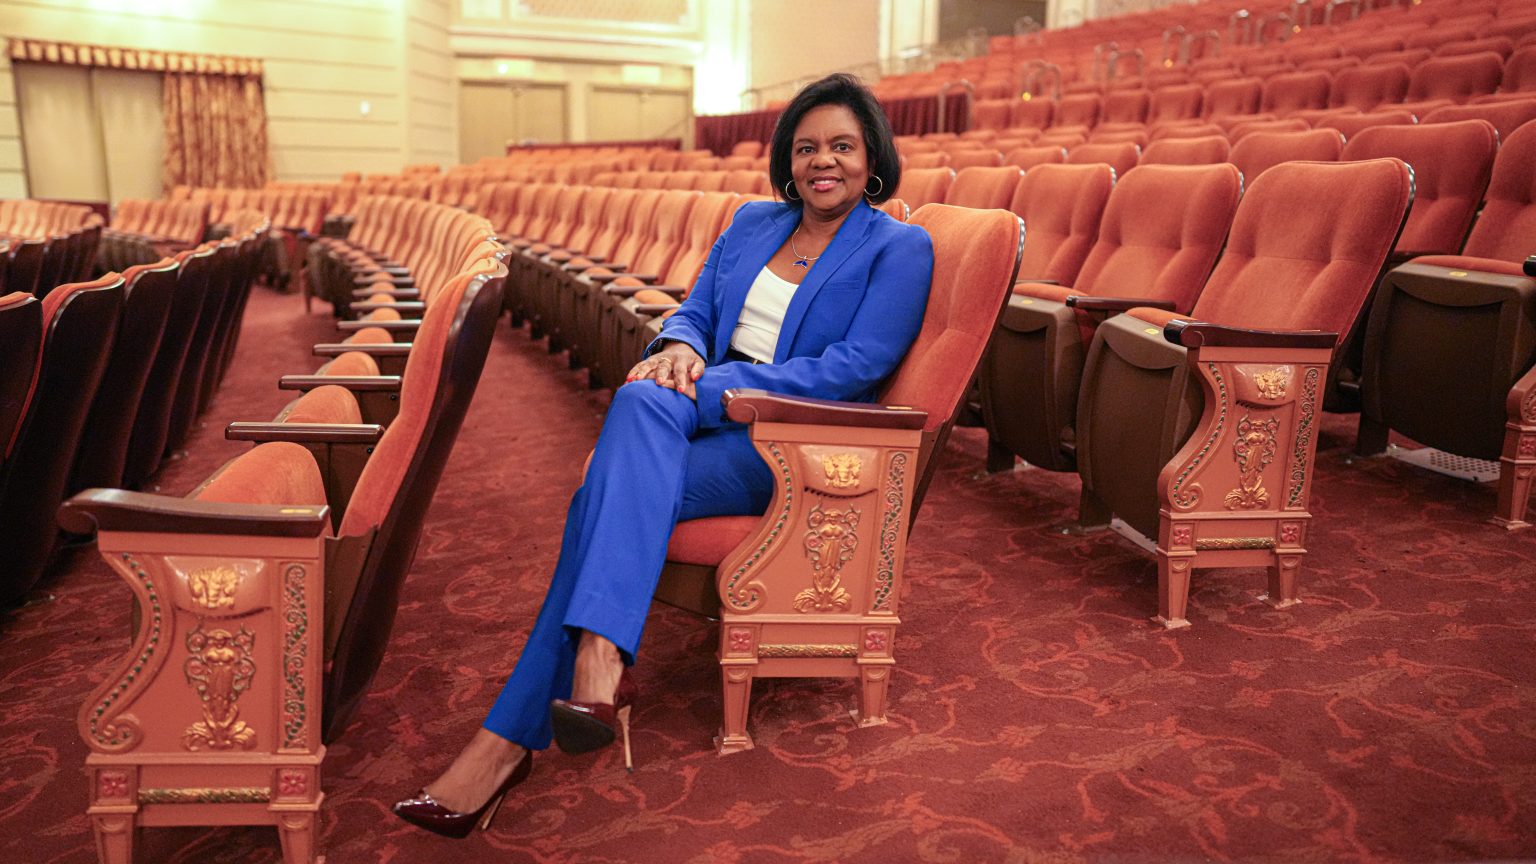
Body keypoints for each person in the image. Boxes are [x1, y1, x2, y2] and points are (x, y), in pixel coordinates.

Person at [393, 72, 935, 838]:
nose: (824, 161)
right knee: (646, 394)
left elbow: (854, 367)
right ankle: (593, 664)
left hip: (788, 440)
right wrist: (679, 345)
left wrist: (712, 382)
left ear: (871, 154)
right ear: (788, 157)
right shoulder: (752, 223)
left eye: (842, 146)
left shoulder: (899, 247)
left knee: (608, 483)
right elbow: (696, 310)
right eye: (808, 146)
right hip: (703, 412)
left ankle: (521, 725)